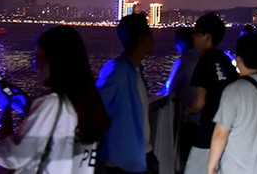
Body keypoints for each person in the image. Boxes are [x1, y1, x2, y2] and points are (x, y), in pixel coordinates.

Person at [0, 26, 111, 173]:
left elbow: (11, 159)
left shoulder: (51, 104)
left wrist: (6, 112)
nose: (36, 67)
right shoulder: (88, 104)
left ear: (55, 62)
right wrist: (28, 107)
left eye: (38, 59)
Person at [208, 33, 257, 174]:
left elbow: (220, 134)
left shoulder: (233, 91)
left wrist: (211, 167)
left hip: (237, 169)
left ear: (238, 59)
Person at [96, 13, 158, 174]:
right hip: (125, 162)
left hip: (141, 155)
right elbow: (95, 104)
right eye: (150, 33)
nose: (153, 37)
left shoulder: (135, 69)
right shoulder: (117, 69)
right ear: (142, 39)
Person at [183, 13, 237, 174]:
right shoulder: (225, 60)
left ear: (207, 37)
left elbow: (200, 103)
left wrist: (189, 109)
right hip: (229, 128)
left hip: (209, 129)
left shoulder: (204, 61)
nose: (193, 36)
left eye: (197, 32)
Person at [159, 27, 199, 171]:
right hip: (207, 120)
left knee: (187, 159)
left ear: (180, 43)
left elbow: (170, 86)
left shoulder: (183, 61)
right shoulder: (203, 58)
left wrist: (160, 93)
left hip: (190, 118)